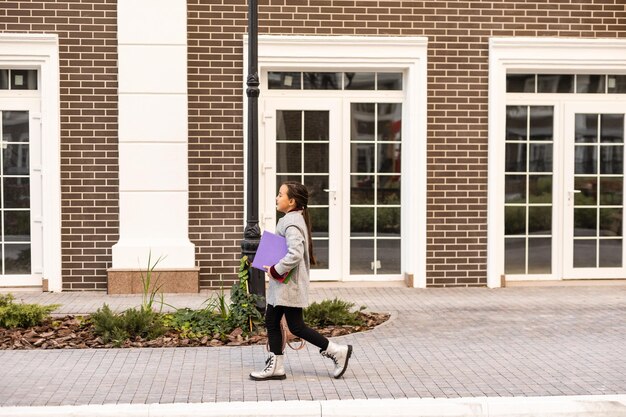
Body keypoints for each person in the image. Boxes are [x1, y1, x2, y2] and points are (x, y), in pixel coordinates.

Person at [250, 181, 353, 381]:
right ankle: (276, 366)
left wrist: (274, 269)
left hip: (289, 285)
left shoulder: (291, 222)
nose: (277, 198)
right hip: (284, 285)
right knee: (272, 321)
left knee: (296, 327)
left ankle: (336, 351)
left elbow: (295, 253)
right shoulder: (292, 219)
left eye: (281, 194)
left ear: (292, 201)